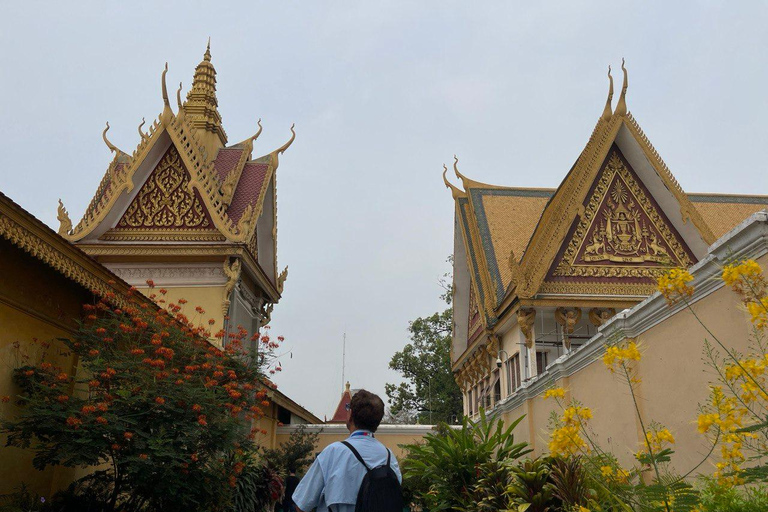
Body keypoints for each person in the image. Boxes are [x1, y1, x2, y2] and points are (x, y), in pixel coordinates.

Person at [292, 389, 402, 512]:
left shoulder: (333, 453)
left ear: (350, 415)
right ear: (377, 422)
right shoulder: (389, 457)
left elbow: (301, 505)